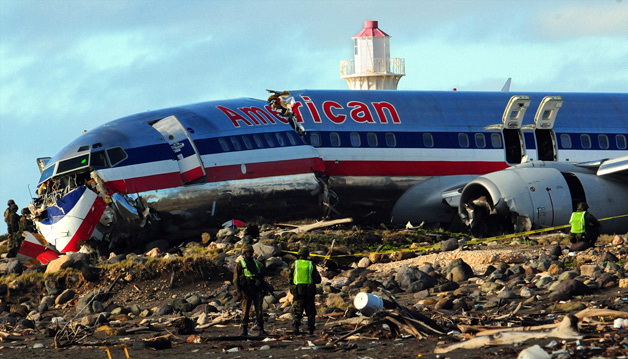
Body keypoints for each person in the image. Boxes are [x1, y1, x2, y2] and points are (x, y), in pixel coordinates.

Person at [233, 244, 267, 336]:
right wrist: (238, 291)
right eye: (248, 252)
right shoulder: (241, 264)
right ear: (244, 253)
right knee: (245, 310)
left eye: (251, 252)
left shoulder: (256, 263)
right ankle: (244, 330)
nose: (250, 254)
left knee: (259, 310)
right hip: (246, 290)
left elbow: (262, 276)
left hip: (256, 289)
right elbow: (236, 279)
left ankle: (261, 329)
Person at [289, 246, 321, 335]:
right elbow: (318, 280)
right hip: (309, 292)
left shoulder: (294, 264)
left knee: (296, 311)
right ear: (307, 255)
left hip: (297, 292)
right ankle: (310, 329)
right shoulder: (311, 265)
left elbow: (290, 278)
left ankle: (296, 328)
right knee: (310, 312)